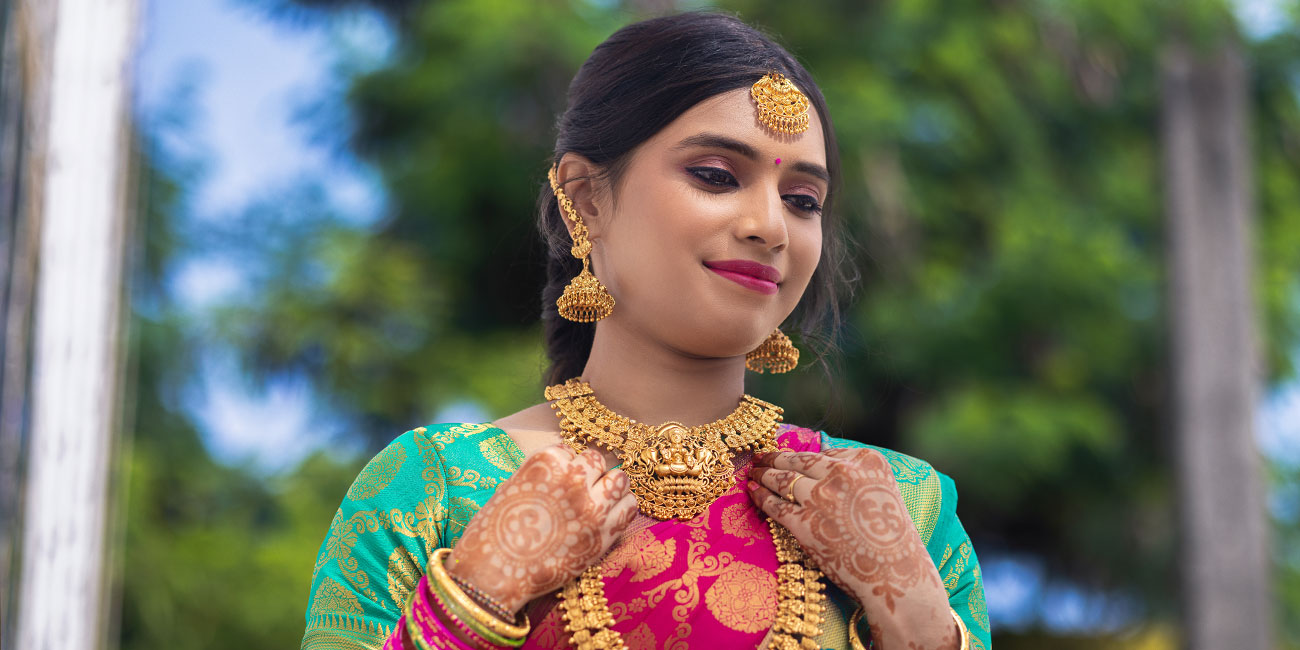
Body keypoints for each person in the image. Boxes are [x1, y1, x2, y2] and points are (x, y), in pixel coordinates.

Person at [301, 11, 989, 650]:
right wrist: (476, 595)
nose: (770, 227)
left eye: (801, 199)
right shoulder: (437, 488)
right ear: (585, 199)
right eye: (717, 176)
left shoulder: (902, 510)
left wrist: (917, 615)